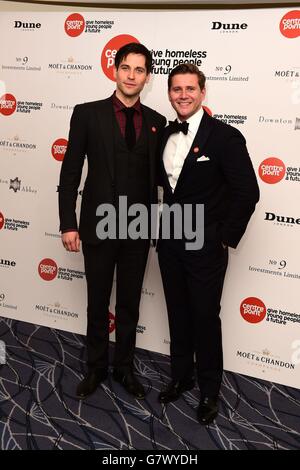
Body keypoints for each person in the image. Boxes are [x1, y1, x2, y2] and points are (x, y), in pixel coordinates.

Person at [58, 43, 166, 400]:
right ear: (115, 71)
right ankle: (95, 368)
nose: (131, 75)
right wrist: (67, 223)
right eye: (126, 68)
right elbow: (71, 170)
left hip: (137, 227)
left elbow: (163, 179)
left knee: (129, 305)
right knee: (97, 301)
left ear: (147, 77)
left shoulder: (156, 122)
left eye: (139, 70)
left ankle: (124, 368)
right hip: (98, 225)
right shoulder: (87, 114)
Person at [157, 63, 259, 424]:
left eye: (190, 89)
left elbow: (247, 192)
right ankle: (181, 378)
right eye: (176, 89)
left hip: (205, 247)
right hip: (169, 242)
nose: (182, 95)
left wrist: (222, 238)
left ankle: (210, 392)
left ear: (202, 92)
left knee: (204, 317)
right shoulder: (164, 135)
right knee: (178, 313)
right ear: (169, 93)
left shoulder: (224, 137)